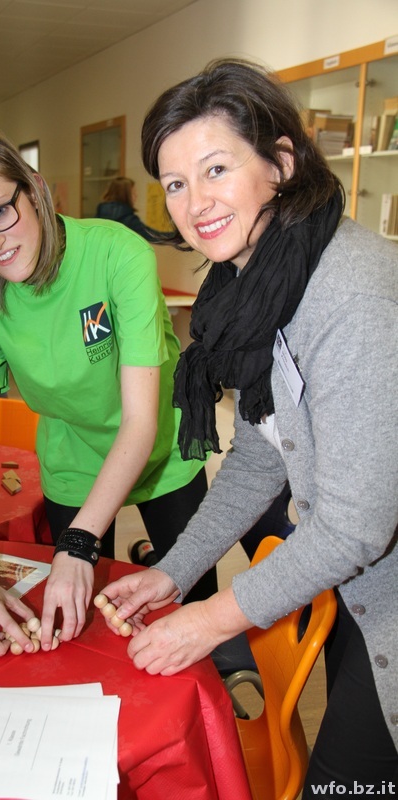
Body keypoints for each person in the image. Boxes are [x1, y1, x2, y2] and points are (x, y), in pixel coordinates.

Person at [99, 59, 398, 793]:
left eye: (216, 169)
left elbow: (355, 526)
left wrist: (210, 620)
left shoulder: (349, 294)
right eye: (175, 183)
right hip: (367, 584)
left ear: (280, 164)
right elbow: (259, 457)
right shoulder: (257, 282)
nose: (193, 203)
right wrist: (175, 572)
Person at [0, 131, 218, 657]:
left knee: (195, 614)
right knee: (77, 630)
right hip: (74, 463)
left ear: (35, 189)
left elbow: (139, 421)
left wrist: (80, 543)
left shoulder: (115, 253)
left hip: (164, 452)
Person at [96, 176, 169, 242]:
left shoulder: (100, 213)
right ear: (125, 195)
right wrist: (174, 236)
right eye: (133, 193)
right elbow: (152, 235)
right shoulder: (128, 219)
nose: (136, 196)